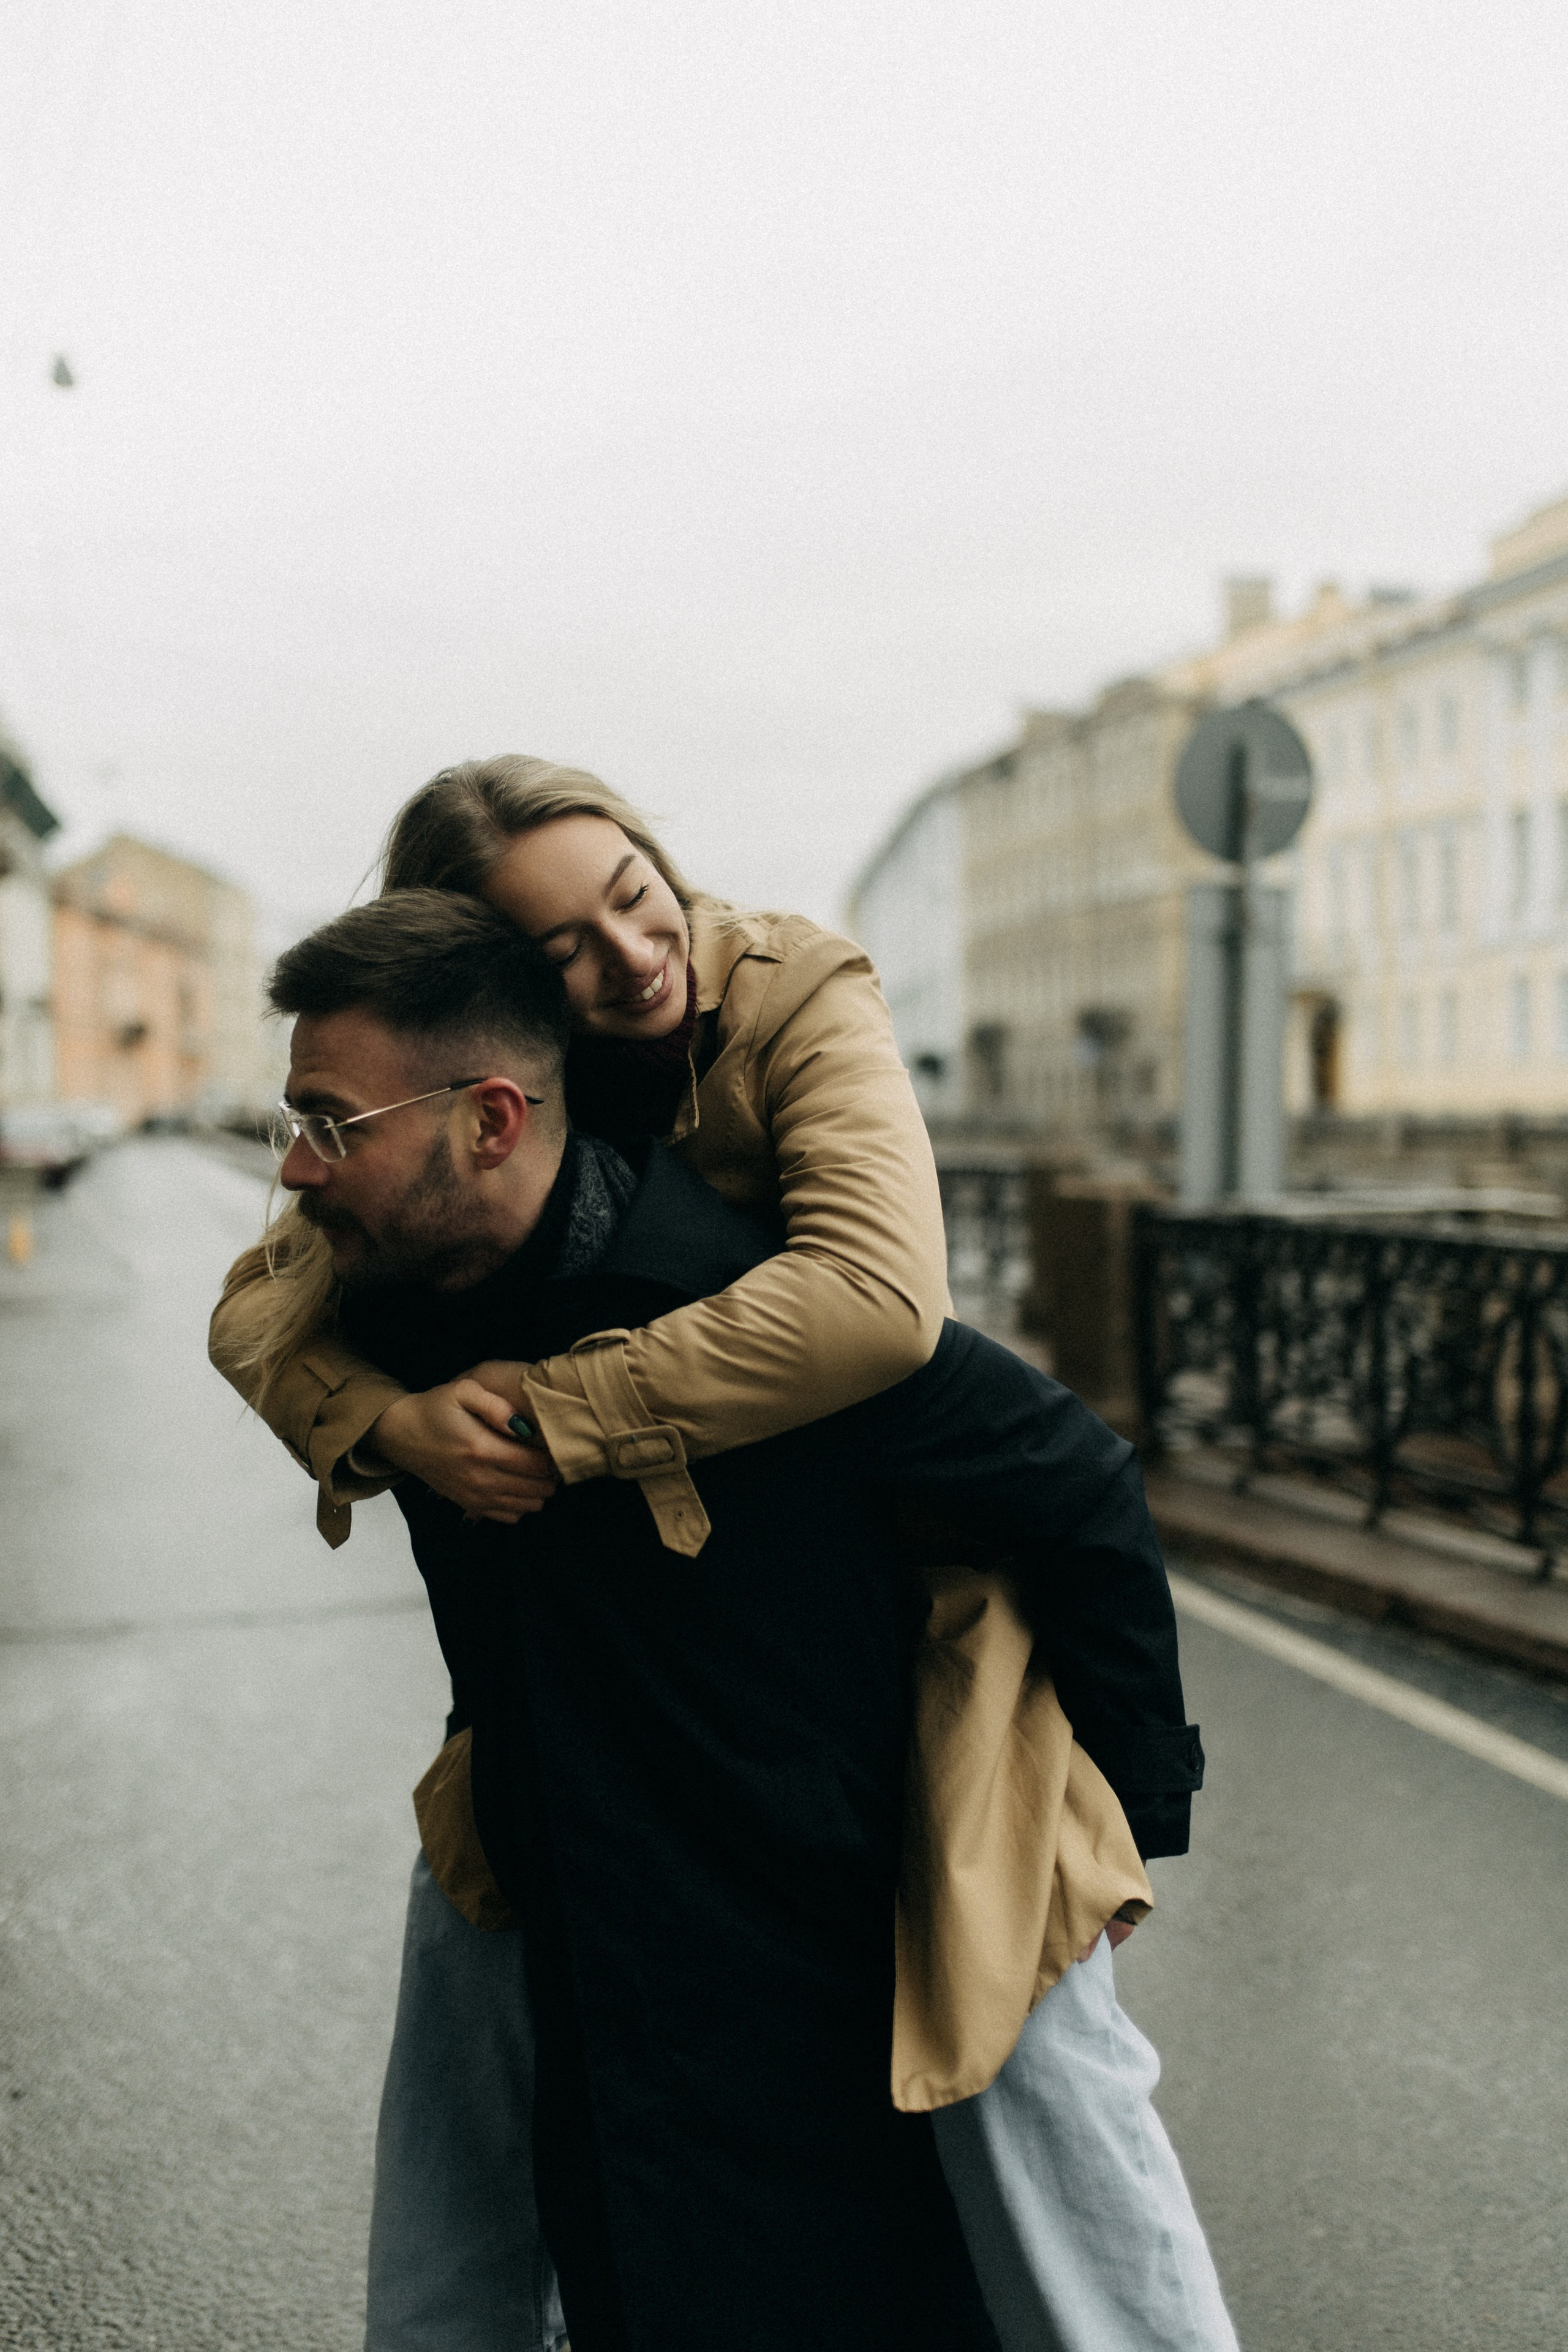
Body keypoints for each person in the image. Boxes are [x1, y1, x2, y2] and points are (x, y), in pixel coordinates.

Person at [255, 888, 1236, 2352]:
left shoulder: (745, 1305)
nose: (295, 1168)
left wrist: (1120, 1825)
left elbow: (1071, 1476)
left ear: (495, 1121)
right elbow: (255, 1332)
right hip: (582, 1935)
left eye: (331, 1125)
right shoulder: (391, 1318)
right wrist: (387, 1427)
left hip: (798, 1961)